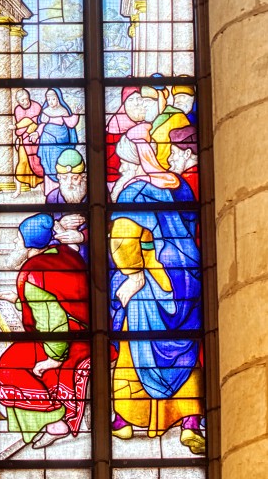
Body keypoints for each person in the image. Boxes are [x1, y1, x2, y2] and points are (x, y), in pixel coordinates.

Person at [109, 132, 204, 456]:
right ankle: (189, 420)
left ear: (135, 160)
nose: (122, 168)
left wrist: (133, 274)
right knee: (186, 350)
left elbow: (123, 240)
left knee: (135, 349)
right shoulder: (180, 186)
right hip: (186, 280)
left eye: (124, 161)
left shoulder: (134, 192)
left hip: (150, 280)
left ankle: (125, 419)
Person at [0, 213, 90, 449]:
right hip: (84, 330)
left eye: (18, 239)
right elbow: (59, 299)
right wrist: (20, 299)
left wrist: (53, 359)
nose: (15, 243)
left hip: (68, 341)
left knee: (9, 365)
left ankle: (54, 422)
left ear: (30, 245)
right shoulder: (63, 254)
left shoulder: (34, 271)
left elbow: (54, 322)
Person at [36, 89, 79, 183]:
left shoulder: (63, 111)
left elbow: (70, 124)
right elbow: (42, 124)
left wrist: (76, 114)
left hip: (62, 141)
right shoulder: (46, 111)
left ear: (58, 99)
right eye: (48, 99)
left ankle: (62, 181)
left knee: (61, 161)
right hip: (48, 141)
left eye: (53, 99)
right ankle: (51, 185)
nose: (50, 102)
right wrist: (37, 133)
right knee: (49, 162)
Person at [12, 88, 44, 196]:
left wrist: (22, 126)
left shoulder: (36, 106)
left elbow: (37, 123)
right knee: (22, 163)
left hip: (36, 139)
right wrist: (20, 134)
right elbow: (21, 127)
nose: (26, 101)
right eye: (22, 100)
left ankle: (44, 191)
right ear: (18, 102)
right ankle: (18, 190)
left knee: (38, 162)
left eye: (26, 98)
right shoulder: (17, 110)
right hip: (23, 140)